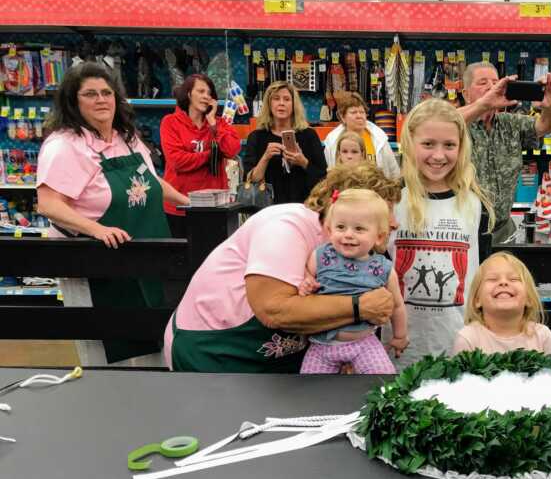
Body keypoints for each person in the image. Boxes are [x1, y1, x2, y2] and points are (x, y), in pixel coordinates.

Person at [163, 163, 400, 373]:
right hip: (215, 349)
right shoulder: (286, 227)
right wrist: (358, 307)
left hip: (274, 357)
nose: (394, 223)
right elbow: (273, 309)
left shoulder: (345, 251)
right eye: (386, 211)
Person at [35, 61, 190, 366]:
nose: (101, 99)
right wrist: (97, 230)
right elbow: (49, 204)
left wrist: (191, 203)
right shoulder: (66, 145)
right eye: (90, 94)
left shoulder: (126, 137)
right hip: (98, 262)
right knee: (110, 348)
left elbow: (149, 181)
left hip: (143, 255)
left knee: (151, 339)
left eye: (107, 92)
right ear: (73, 101)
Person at [382, 98, 495, 370]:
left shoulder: (474, 203)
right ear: (410, 143)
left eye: (449, 145)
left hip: (458, 342)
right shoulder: (390, 199)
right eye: (428, 144)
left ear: (461, 147)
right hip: (397, 345)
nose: (439, 155)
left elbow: (481, 276)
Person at [299, 189, 407, 374]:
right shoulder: (321, 256)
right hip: (321, 346)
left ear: (379, 236)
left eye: (359, 229)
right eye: (341, 227)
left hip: (363, 344)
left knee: (383, 382)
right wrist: (307, 282)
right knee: (310, 390)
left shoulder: (383, 269)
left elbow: (397, 305)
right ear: (329, 229)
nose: (348, 234)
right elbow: (307, 273)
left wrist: (400, 336)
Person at [459, 62, 551, 244]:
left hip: (503, 231)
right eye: (482, 83)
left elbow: (546, 126)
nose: (491, 87)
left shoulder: (510, 123)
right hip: (463, 232)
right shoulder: (454, 126)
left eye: (495, 82)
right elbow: (431, 122)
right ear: (466, 93)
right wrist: (482, 105)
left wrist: (550, 107)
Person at [160, 73, 241, 237]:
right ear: (189, 94)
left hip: (215, 207)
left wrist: (213, 123)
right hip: (180, 207)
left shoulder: (219, 123)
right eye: (201, 91)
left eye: (209, 93)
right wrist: (212, 155)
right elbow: (177, 161)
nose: (206, 96)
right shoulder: (170, 122)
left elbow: (231, 150)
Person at [451, 252, 551, 356]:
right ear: (477, 300)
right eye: (493, 279)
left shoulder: (543, 336)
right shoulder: (467, 339)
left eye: (514, 279)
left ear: (529, 298)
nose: (503, 282)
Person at [243, 81, 327, 205]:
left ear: (294, 105)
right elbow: (251, 180)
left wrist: (302, 162)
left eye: (287, 99)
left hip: (303, 206)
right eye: (276, 99)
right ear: (269, 104)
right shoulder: (256, 137)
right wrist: (265, 157)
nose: (281, 103)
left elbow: (322, 177)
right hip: (268, 208)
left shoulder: (309, 135)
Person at [323, 91, 401, 178]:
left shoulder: (379, 139)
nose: (359, 116)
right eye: (353, 112)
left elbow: (394, 172)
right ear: (342, 117)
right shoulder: (332, 141)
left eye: (362, 112)